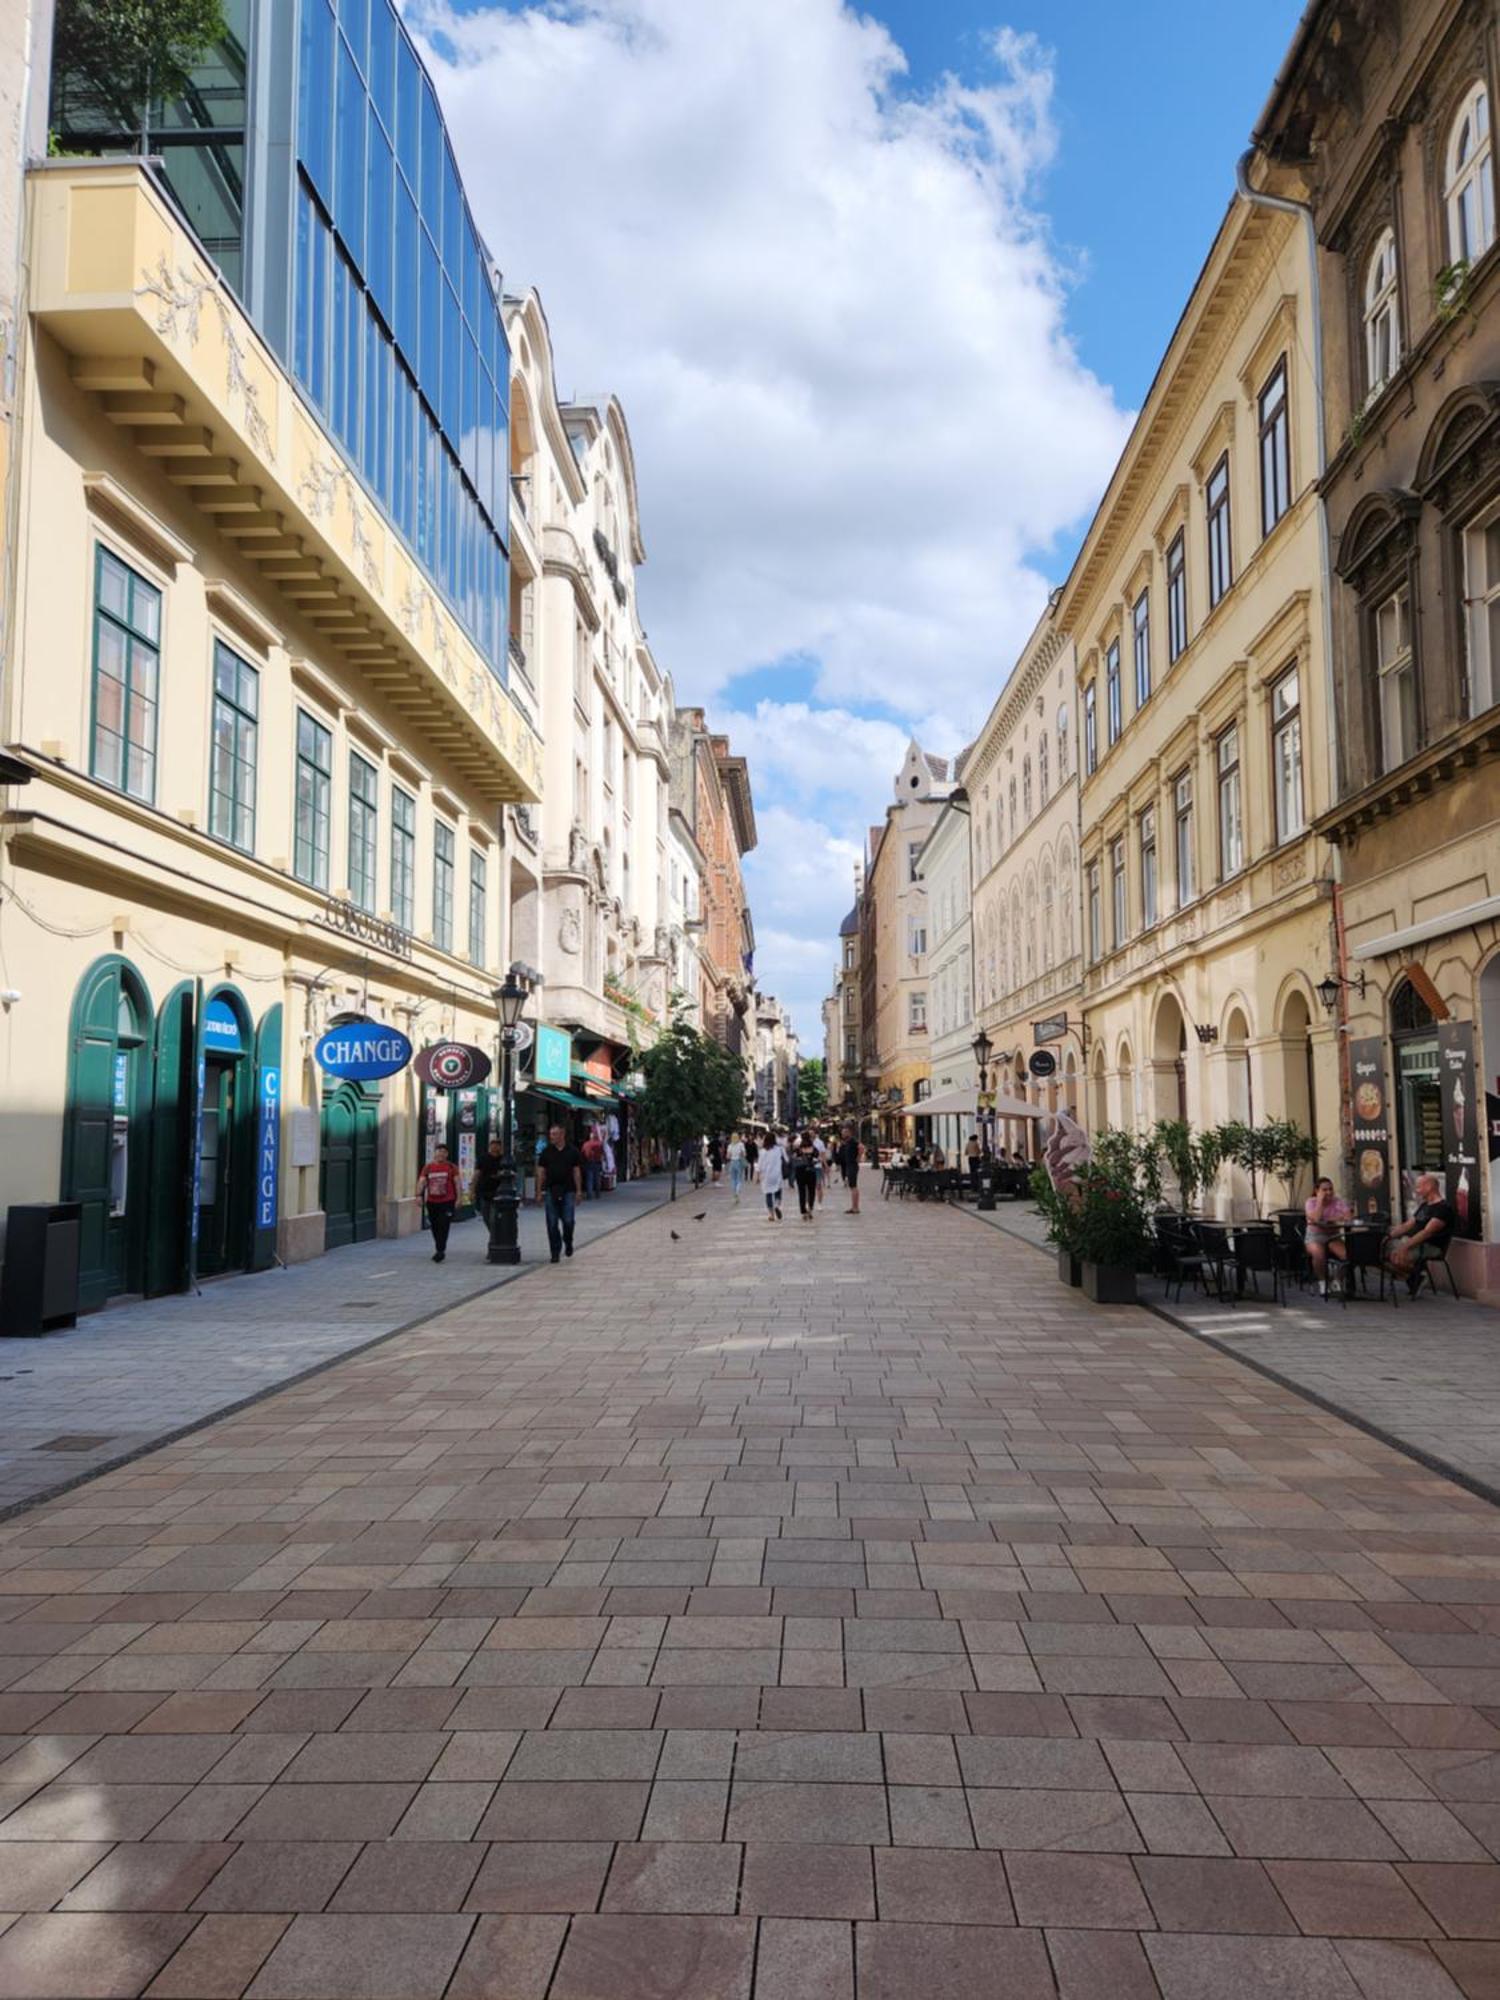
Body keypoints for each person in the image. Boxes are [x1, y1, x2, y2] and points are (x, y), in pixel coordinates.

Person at [1386, 1173, 1457, 1294]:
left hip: (1431, 1246)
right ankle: (1415, 1277)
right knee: (1380, 1254)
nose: (1416, 1191)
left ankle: (1416, 1275)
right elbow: (1407, 1225)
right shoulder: (1424, 1205)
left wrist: (1405, 1247)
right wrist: (1388, 1237)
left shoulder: (1443, 1208)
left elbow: (1427, 1233)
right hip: (1414, 1242)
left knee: (1395, 1257)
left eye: (1419, 1187)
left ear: (1429, 1187)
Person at [535, 1122, 584, 1264]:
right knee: (551, 1222)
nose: (552, 1137)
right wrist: (539, 1191)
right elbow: (541, 1172)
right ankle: (555, 1251)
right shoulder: (546, 1152)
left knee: (568, 1221)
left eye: (554, 1134)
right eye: (550, 1134)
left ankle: (568, 1241)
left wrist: (579, 1191)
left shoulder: (572, 1151)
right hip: (551, 1190)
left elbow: (576, 1171)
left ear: (562, 1134)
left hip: (568, 1190)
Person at [1303, 1176, 1351, 1294]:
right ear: (1317, 1191)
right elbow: (1315, 1219)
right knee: (1319, 1254)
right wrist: (1320, 1202)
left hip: (1333, 1235)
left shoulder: (1337, 1201)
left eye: (1330, 1189)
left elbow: (1348, 1217)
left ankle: (1336, 1280)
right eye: (1324, 1190)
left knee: (1348, 1254)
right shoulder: (1311, 1202)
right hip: (1315, 1236)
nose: (1328, 1192)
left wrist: (1332, 1219)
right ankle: (1323, 1282)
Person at [417, 1143, 460, 1263]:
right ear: (435, 1153)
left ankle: (440, 1250)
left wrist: (459, 1199)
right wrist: (418, 1195)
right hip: (432, 1201)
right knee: (435, 1226)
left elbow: (457, 1183)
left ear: (447, 1154)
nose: (441, 1154)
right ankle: (439, 1246)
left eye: (443, 1152)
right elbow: (422, 1181)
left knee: (444, 1225)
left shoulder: (452, 1167)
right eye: (438, 1151)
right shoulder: (428, 1167)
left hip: (447, 1201)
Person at [473, 1138, 506, 1233]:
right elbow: (477, 1174)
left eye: (497, 1145)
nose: (494, 1147)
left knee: (494, 1217)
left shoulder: (504, 1159)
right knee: (486, 1216)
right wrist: (472, 1189)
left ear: (500, 1147)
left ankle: (495, 1236)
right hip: (485, 1191)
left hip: (499, 1192)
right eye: (492, 1144)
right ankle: (494, 1234)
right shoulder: (483, 1158)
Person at [760, 1130, 787, 1222]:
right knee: (778, 1192)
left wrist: (757, 1176)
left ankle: (771, 1214)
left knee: (768, 1194)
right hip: (777, 1174)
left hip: (766, 1175)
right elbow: (787, 1160)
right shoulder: (779, 1149)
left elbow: (760, 1165)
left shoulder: (762, 1151)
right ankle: (777, 1205)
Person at [792, 1129, 819, 1219]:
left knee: (802, 1192)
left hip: (800, 1171)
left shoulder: (798, 1149)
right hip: (811, 1171)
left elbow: (793, 1158)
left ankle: (803, 1211)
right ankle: (810, 1209)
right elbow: (817, 1158)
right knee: (811, 1191)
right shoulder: (813, 1148)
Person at [837, 1123, 862, 1215]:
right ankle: (853, 1206)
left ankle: (856, 1207)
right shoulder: (847, 1142)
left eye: (844, 1133)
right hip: (849, 1165)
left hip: (852, 1165)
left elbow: (861, 1147)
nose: (842, 1134)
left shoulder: (852, 1140)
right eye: (842, 1133)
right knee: (852, 1186)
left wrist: (858, 1158)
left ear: (849, 1133)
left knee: (853, 1186)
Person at [582, 1129, 605, 1200]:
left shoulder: (586, 1144)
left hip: (588, 1162)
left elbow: (582, 1152)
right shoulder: (599, 1144)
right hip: (597, 1162)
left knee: (589, 1179)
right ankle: (597, 1194)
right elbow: (602, 1153)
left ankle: (589, 1195)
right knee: (597, 1178)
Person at [727, 1130, 747, 1202]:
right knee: (739, 1179)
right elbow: (744, 1154)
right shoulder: (741, 1145)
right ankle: (737, 1192)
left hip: (732, 1162)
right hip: (739, 1162)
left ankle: (734, 1192)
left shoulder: (730, 1145)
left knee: (733, 1179)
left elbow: (728, 1156)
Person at [966, 1132, 983, 1196]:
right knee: (977, 1173)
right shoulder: (976, 1143)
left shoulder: (968, 1143)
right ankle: (977, 1186)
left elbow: (966, 1152)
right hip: (976, 1158)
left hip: (970, 1158)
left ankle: (973, 1186)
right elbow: (979, 1151)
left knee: (972, 1172)